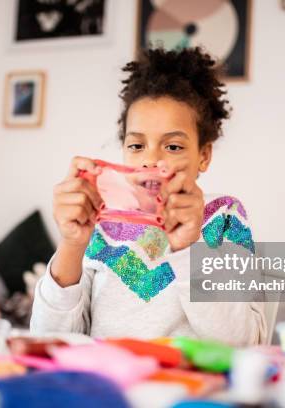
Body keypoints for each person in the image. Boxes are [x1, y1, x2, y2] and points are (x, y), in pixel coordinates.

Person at [31, 47, 266, 346]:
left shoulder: (225, 217)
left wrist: (188, 246)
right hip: (108, 383)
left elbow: (245, 343)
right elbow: (47, 340)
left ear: (203, 156)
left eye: (173, 147)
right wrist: (72, 244)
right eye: (137, 145)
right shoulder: (101, 223)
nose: (150, 161)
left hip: (189, 388)